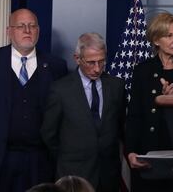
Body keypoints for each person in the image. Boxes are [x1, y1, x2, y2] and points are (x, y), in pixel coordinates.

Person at [0, 8, 67, 192]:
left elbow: (62, 117)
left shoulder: (56, 67)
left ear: (38, 31)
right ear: (9, 31)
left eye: (32, 26)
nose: (27, 30)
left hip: (39, 164)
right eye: (21, 26)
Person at [41, 33, 126, 192]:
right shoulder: (60, 90)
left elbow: (121, 127)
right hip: (73, 175)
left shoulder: (116, 86)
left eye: (101, 62)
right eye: (91, 62)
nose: (97, 68)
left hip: (109, 175)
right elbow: (49, 134)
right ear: (77, 58)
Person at [125, 12, 173, 191]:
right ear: (156, 40)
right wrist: (131, 152)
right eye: (169, 35)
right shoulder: (142, 71)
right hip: (148, 154)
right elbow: (134, 116)